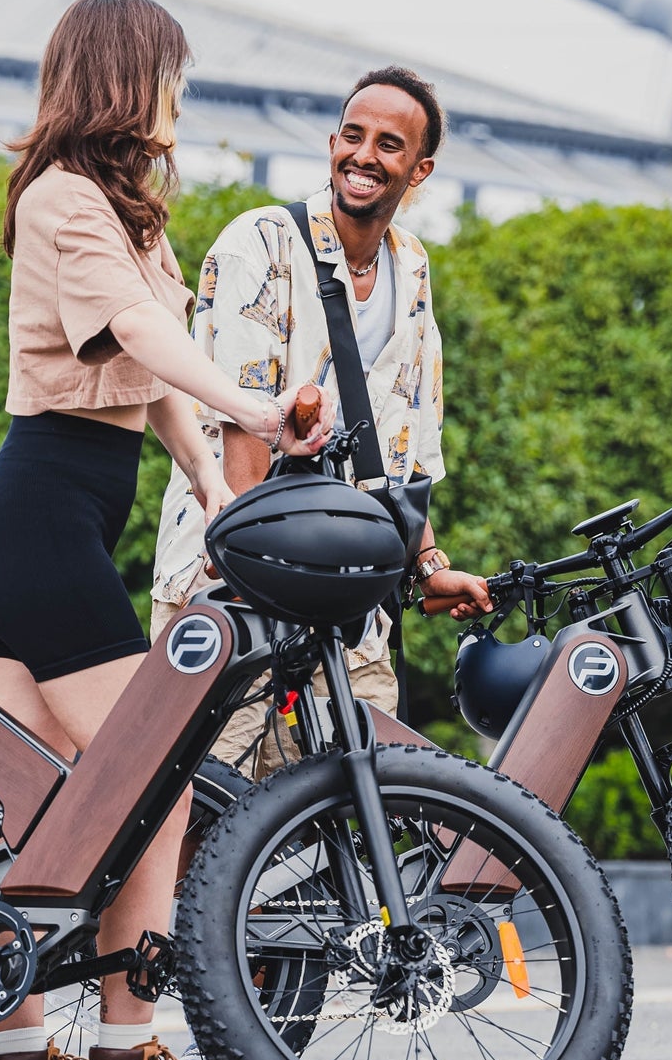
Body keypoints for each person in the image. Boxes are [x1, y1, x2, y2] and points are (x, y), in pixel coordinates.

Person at [0, 0, 332, 1060]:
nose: (179, 95)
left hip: (63, 518)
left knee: (29, 816)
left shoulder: (131, 218)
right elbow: (141, 337)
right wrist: (258, 404)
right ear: (127, 79)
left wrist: (216, 486)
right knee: (153, 784)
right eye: (169, 73)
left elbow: (157, 375)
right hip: (37, 522)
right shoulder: (64, 200)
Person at [151, 65, 493, 778]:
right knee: (202, 806)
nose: (363, 156)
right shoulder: (263, 243)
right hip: (235, 581)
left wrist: (428, 564)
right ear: (332, 140)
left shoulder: (413, 266)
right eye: (352, 134)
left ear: (419, 169)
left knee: (358, 802)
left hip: (349, 599)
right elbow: (239, 414)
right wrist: (250, 566)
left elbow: (403, 441)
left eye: (389, 145)